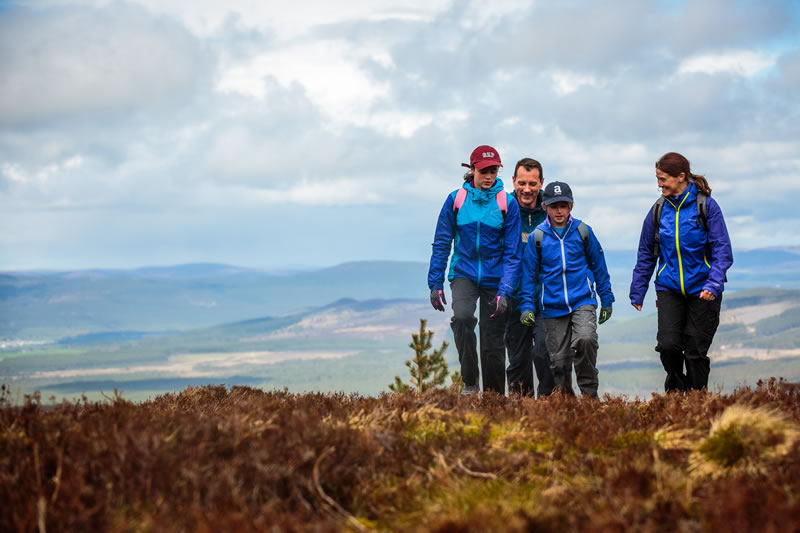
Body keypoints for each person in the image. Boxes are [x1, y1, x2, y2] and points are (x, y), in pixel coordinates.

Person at [630, 152, 733, 392]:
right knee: (668, 346)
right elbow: (646, 252)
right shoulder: (657, 210)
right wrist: (638, 291)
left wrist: (713, 284)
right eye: (657, 178)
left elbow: (722, 250)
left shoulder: (706, 206)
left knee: (695, 349)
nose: (659, 184)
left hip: (703, 289)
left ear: (681, 177)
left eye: (663, 178)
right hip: (669, 287)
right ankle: (677, 396)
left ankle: (696, 400)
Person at [428, 145, 522, 395]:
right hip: (464, 273)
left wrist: (506, 289)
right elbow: (441, 242)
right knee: (462, 318)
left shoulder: (507, 203)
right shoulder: (456, 200)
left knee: (492, 341)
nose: (489, 176)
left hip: (496, 277)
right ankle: (470, 383)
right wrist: (435, 283)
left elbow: (513, 254)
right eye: (484, 171)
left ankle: (493, 398)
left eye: (493, 170)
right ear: (472, 170)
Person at [518, 181, 614, 398]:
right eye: (553, 206)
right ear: (545, 207)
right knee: (559, 362)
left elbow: (599, 266)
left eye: (563, 205)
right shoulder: (537, 237)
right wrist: (526, 306)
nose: (558, 211)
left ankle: (590, 397)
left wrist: (606, 298)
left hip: (582, 300)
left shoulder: (583, 231)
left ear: (571, 206)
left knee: (586, 339)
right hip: (552, 306)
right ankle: (567, 403)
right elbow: (527, 276)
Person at [505, 158, 555, 397]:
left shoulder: (553, 209)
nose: (527, 189)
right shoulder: (503, 208)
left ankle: (548, 406)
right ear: (513, 181)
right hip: (513, 298)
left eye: (532, 183)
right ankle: (519, 413)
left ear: (541, 182)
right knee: (517, 361)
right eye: (522, 183)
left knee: (544, 353)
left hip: (545, 298)